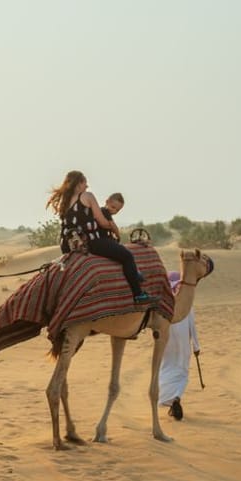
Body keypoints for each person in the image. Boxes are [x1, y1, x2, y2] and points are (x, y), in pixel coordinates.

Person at [47, 171, 155, 305]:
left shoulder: (65, 201)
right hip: (90, 242)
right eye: (85, 183)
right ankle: (138, 294)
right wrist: (114, 229)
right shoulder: (87, 196)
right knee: (127, 256)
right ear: (79, 183)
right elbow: (102, 222)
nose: (87, 186)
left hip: (67, 246)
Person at [158, 270, 200, 420]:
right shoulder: (186, 304)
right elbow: (192, 326)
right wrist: (196, 346)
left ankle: (167, 398)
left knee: (166, 368)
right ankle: (176, 397)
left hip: (167, 342)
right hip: (183, 344)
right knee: (182, 372)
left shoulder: (164, 303)